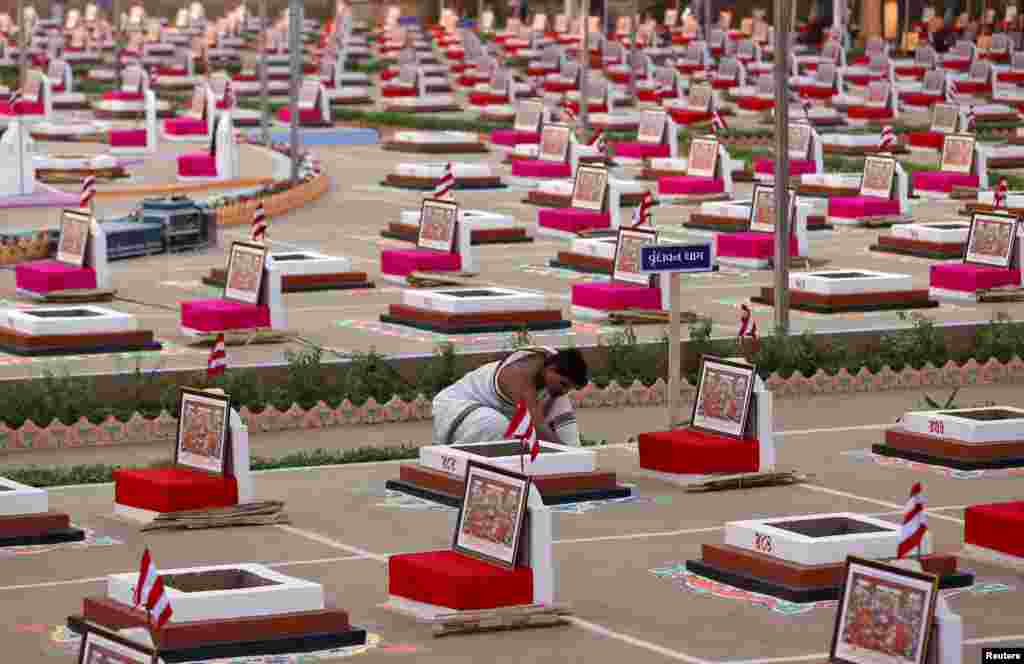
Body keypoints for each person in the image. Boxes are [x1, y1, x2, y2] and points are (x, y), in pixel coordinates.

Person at [432, 347, 589, 446]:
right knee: (496, 426)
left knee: (558, 402)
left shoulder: (554, 364)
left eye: (570, 388)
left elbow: (561, 418)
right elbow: (538, 429)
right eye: (563, 384)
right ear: (552, 369)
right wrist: (568, 455)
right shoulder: (520, 375)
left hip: (492, 410)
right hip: (455, 406)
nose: (565, 391)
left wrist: (576, 454)